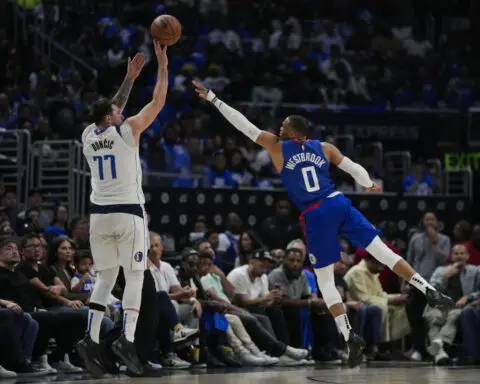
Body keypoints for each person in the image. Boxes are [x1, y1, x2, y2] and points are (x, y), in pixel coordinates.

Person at [192, 80, 455, 368]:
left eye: (284, 125)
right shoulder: (325, 147)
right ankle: (427, 289)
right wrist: (367, 184)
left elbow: (244, 125)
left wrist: (214, 99)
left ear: (295, 132)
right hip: (338, 201)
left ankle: (348, 335)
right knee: (383, 252)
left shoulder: (277, 147)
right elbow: (354, 168)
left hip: (315, 213)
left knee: (326, 281)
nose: (279, 128)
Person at [76, 42, 169, 378]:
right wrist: (163, 66)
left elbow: (110, 106)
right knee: (134, 276)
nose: (121, 110)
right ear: (111, 117)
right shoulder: (127, 131)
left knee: (105, 277)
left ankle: (91, 336)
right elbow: (158, 101)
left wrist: (129, 78)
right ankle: (127, 340)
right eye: (116, 111)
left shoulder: (88, 135)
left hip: (98, 215)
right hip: (128, 213)